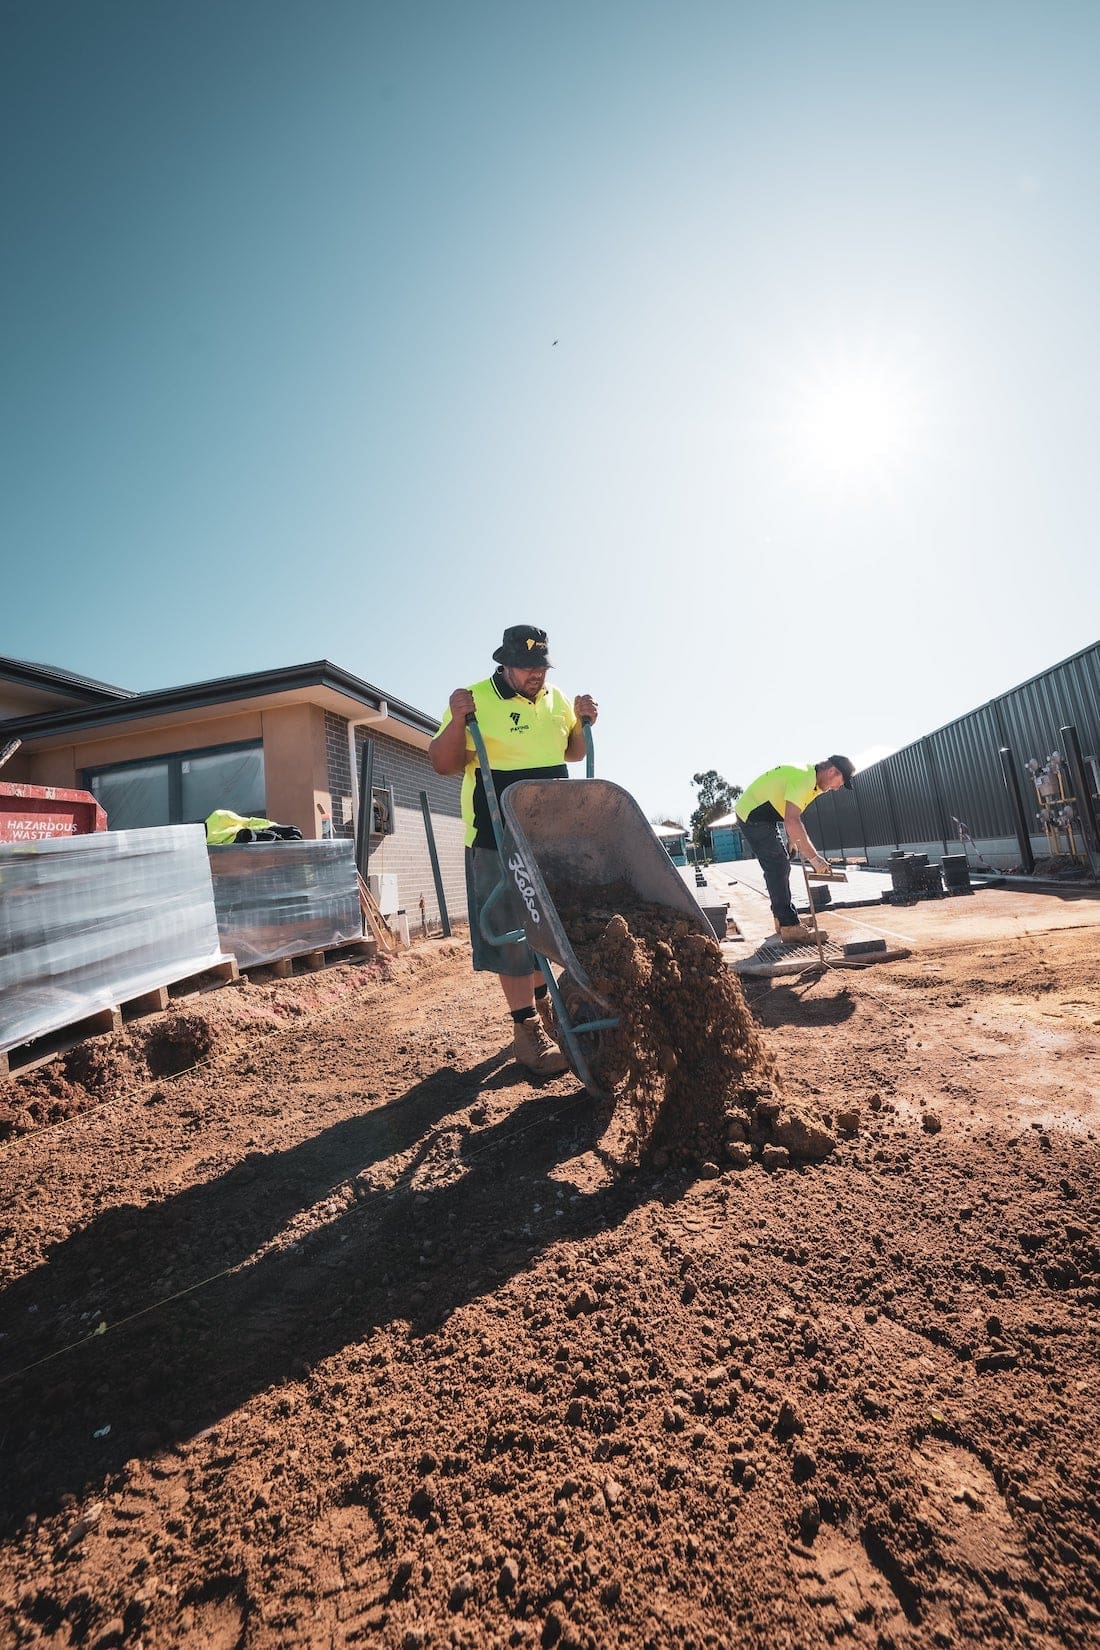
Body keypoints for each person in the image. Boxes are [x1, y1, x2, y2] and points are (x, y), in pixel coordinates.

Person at [429, 625, 599, 1075]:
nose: (535, 675)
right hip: (495, 835)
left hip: (550, 836)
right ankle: (526, 1033)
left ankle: (547, 1008)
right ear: (503, 664)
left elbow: (573, 752)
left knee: (550, 928)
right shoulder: (475, 699)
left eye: (541, 666)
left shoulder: (555, 698)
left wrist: (583, 723)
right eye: (527, 667)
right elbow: (442, 763)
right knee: (511, 932)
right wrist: (455, 717)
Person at [734, 757, 856, 944]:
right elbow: (792, 820)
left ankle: (782, 918)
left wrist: (792, 840)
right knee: (778, 866)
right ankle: (789, 925)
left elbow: (792, 814)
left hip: (765, 815)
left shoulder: (814, 783)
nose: (837, 788)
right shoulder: (804, 779)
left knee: (780, 864)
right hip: (752, 815)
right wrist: (814, 859)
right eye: (840, 782)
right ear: (832, 772)